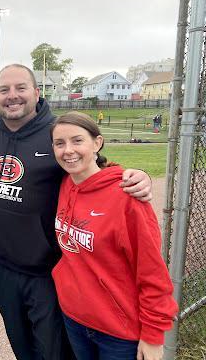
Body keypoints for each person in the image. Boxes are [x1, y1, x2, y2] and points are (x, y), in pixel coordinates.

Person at [0, 64, 152, 360]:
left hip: (48, 269)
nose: (12, 96)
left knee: (53, 350)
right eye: (4, 90)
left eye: (21, 88)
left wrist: (139, 175)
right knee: (21, 346)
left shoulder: (56, 132)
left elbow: (96, 168)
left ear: (36, 92)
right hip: (2, 265)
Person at [50, 111, 177, 360]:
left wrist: (153, 335)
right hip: (74, 317)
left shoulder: (126, 196)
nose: (68, 151)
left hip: (118, 331)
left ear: (97, 143)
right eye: (59, 143)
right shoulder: (66, 184)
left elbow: (152, 271)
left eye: (77, 141)